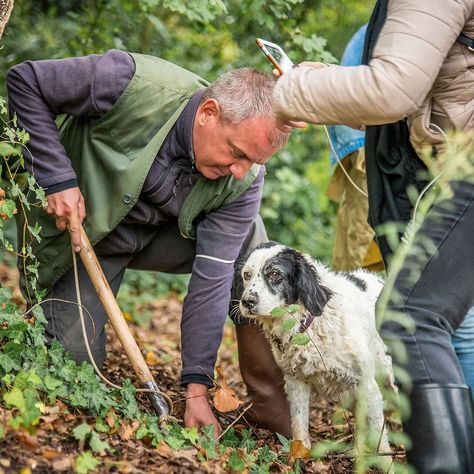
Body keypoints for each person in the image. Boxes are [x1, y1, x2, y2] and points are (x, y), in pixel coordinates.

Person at [6, 49, 291, 436]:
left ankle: (272, 403)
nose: (238, 171)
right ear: (208, 113)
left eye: (252, 162)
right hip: (85, 234)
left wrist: (196, 390)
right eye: (237, 153)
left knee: (253, 247)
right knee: (73, 369)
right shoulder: (127, 81)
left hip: (161, 240)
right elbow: (26, 81)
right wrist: (57, 178)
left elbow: (212, 282)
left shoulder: (242, 179)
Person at [272, 1, 474, 472]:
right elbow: (417, 95)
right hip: (450, 166)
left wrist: (293, 87)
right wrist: (326, 79)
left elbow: (391, 91)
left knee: (410, 316)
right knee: (457, 323)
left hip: (464, 166)